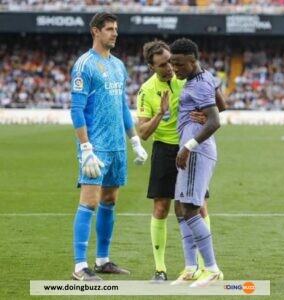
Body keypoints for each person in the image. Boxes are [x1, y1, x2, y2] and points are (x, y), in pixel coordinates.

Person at [136, 40, 225, 283]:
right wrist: (160, 113)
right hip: (166, 149)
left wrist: (205, 117)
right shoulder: (147, 90)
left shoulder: (187, 75)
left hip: (191, 147)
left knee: (194, 206)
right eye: (164, 64)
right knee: (168, 208)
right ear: (152, 67)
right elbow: (142, 133)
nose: (170, 68)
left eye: (171, 62)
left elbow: (216, 106)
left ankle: (207, 266)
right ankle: (166, 268)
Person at [70, 12, 148, 281]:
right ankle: (80, 266)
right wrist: (86, 147)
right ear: (95, 31)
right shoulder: (84, 65)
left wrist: (135, 140)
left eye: (116, 29)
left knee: (110, 200)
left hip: (117, 146)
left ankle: (102, 260)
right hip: (96, 147)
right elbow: (77, 110)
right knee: (89, 202)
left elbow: (122, 106)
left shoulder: (118, 65)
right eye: (109, 29)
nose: (115, 33)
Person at [170, 37, 223, 287]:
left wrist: (189, 146)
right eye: (172, 63)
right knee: (180, 207)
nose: (175, 68)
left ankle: (211, 269)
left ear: (193, 61)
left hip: (196, 151)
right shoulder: (203, 78)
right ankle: (191, 267)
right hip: (192, 150)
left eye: (179, 64)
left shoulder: (199, 85)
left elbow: (215, 120)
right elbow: (221, 104)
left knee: (191, 208)